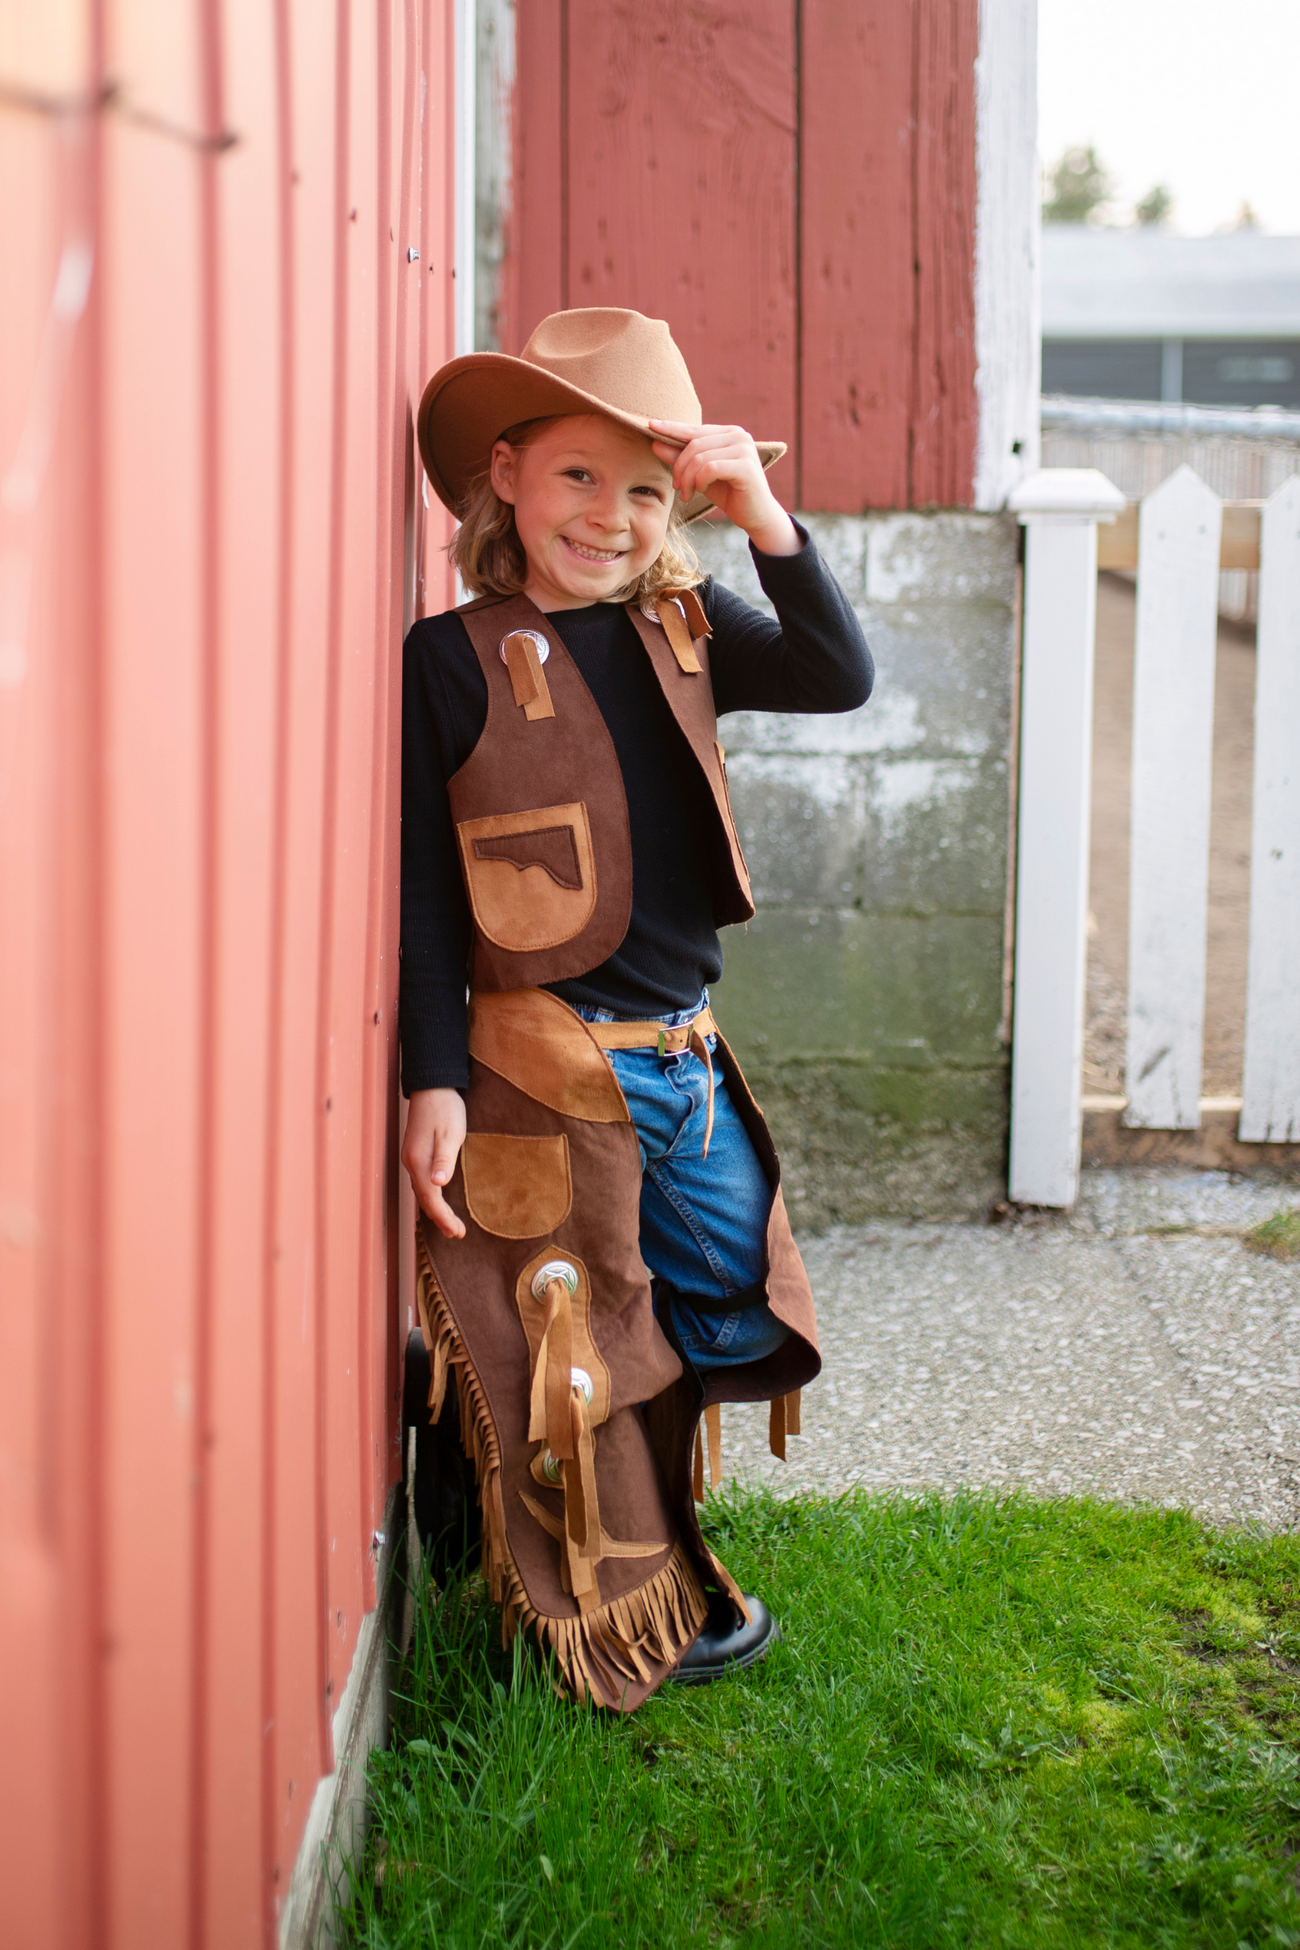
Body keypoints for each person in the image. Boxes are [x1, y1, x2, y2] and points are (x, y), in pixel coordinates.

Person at [400, 308, 872, 1711]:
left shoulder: (687, 623)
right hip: (551, 1065)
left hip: (684, 1061)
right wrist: (432, 1076)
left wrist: (760, 510)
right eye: (579, 478)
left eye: (647, 490)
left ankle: (618, 1520)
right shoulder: (455, 655)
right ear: (507, 472)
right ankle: (575, 1561)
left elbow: (838, 674)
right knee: (581, 1343)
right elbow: (429, 892)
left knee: (727, 1311)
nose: (610, 518)